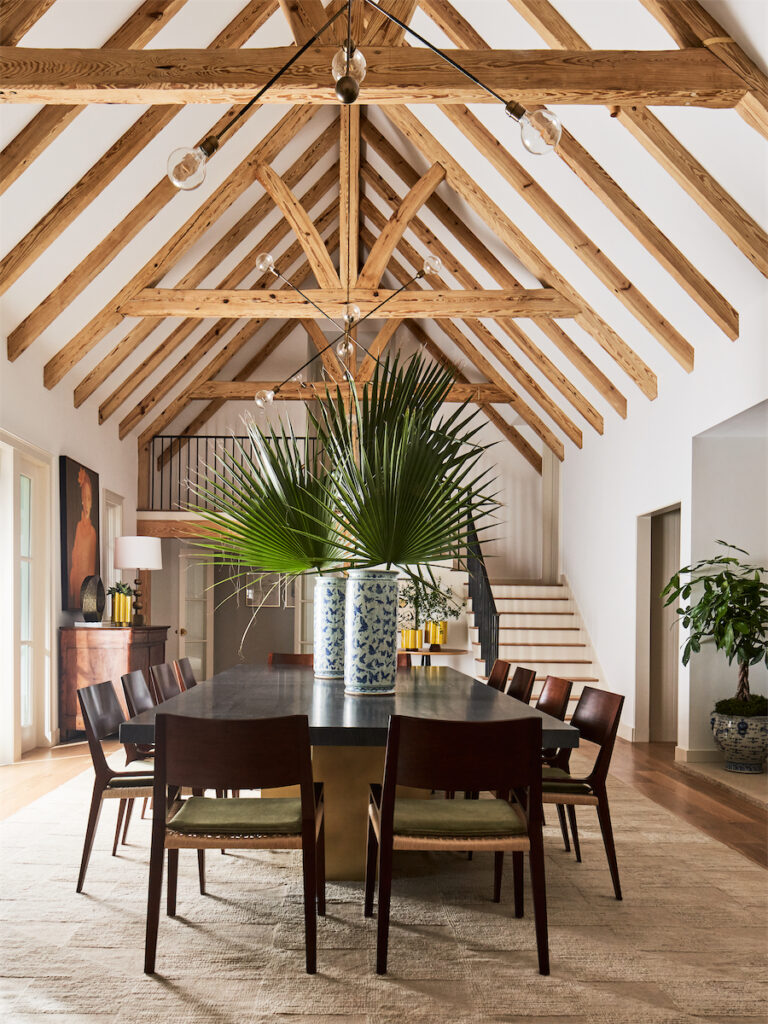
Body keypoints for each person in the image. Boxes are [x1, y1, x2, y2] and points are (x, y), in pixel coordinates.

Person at [69, 467, 98, 607]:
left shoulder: (92, 532)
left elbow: (91, 569)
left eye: (89, 499)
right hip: (75, 586)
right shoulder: (77, 527)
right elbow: (73, 563)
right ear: (81, 500)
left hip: (85, 591)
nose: (86, 503)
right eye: (84, 498)